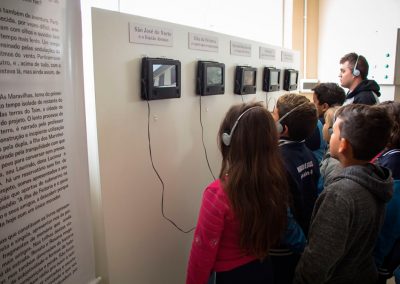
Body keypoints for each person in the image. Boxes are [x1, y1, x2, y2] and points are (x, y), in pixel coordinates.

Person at [186, 102, 305, 284]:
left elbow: (202, 255)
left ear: (228, 139)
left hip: (229, 276)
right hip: (263, 268)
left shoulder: (217, 194)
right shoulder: (276, 181)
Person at [294, 104, 394, 284]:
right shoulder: (374, 178)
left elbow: (318, 260)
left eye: (334, 132)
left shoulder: (340, 194)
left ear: (343, 144)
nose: (330, 134)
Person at [271, 94, 319, 283]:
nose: (271, 118)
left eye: (274, 115)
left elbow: (282, 217)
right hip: (301, 238)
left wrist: (303, 246)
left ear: (283, 128)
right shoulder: (310, 155)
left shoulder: (275, 162)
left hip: (283, 248)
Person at [373, 101, 400, 284]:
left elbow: (389, 221)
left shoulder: (393, 164)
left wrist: (376, 260)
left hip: (383, 254)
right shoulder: (389, 156)